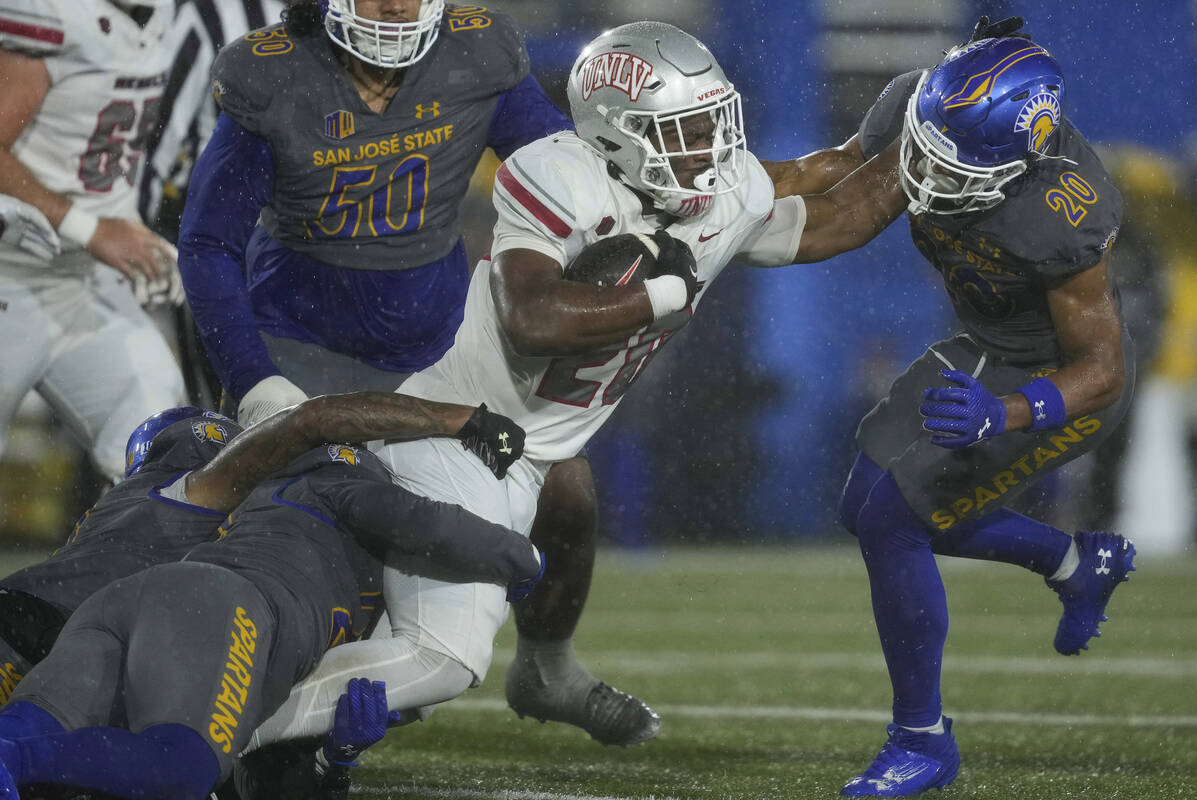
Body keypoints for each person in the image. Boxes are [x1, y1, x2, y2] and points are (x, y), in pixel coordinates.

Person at [241, 20, 909, 753]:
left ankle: (548, 671)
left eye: (713, 123)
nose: (711, 149)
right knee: (439, 663)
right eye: (685, 130)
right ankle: (221, 725)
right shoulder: (556, 174)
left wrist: (930, 144)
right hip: (455, 432)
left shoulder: (717, 189)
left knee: (569, 492)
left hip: (532, 441)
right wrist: (659, 296)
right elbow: (531, 317)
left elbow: (837, 216)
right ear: (620, 136)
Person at [175, 0, 646, 744]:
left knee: (566, 484)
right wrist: (256, 375)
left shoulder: (476, 52)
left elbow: (564, 170)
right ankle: (209, 694)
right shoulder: (274, 74)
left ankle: (549, 667)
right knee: (302, 545)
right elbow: (206, 243)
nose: (394, 4)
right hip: (303, 350)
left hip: (440, 353)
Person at [825, 23, 1136, 797]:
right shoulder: (927, 106)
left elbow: (1103, 369)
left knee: (894, 519)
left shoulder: (1065, 210)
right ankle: (1074, 563)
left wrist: (1006, 413)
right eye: (926, 144)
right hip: (985, 343)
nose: (925, 169)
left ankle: (923, 741)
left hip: (1051, 381)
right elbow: (840, 172)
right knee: (862, 506)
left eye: (952, 162)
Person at [0, 416, 543, 799]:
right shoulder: (335, 480)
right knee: (178, 768)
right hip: (220, 606)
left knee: (32, 737)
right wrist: (524, 559)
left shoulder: (222, 496)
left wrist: (336, 761)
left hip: (131, 605)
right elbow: (431, 525)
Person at [0, 391, 524, 694]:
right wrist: (458, 419)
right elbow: (310, 421)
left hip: (52, 629)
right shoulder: (189, 492)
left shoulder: (132, 505)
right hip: (39, 635)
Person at [0, 0, 189, 483]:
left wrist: (132, 234)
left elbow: (98, 147)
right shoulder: (57, 15)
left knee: (163, 458)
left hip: (82, 282)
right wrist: (91, 229)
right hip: (11, 273)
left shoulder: (160, 13)